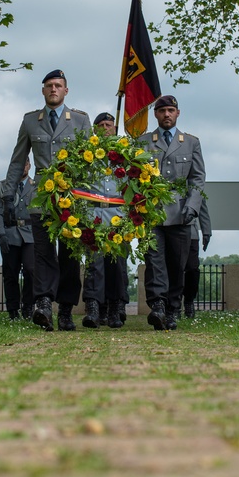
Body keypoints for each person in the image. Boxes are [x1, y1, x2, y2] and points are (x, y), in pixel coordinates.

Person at [3, 69, 91, 331]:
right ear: (43, 91)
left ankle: (65, 311)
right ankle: (42, 304)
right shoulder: (31, 120)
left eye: (58, 85)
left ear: (66, 91)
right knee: (42, 253)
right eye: (49, 85)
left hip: (71, 197)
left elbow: (89, 162)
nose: (53, 89)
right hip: (41, 196)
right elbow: (18, 159)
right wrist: (9, 191)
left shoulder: (80, 120)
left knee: (69, 256)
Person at [142, 95, 205, 330]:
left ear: (178, 113)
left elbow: (197, 178)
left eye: (171, 110)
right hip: (152, 212)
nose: (166, 114)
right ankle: (157, 306)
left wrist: (192, 206)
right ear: (155, 115)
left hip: (181, 212)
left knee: (177, 264)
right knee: (155, 261)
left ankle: (172, 309)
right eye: (162, 111)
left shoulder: (191, 142)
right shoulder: (144, 142)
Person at [81, 112, 128, 330]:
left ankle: (115, 308)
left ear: (115, 129)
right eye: (100, 125)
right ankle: (93, 308)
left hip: (119, 217)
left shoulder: (126, 155)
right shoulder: (85, 155)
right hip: (94, 215)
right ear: (94, 130)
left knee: (116, 265)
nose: (105, 128)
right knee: (94, 263)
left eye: (109, 124)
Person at [0, 158, 35, 320]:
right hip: (10, 233)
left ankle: (28, 306)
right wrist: (0, 234)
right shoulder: (3, 186)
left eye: (25, 164)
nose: (22, 167)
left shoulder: (36, 185)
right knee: (10, 273)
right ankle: (13, 309)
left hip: (30, 235)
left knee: (31, 270)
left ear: (29, 166)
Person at [183, 198, 212, 318]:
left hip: (191, 234)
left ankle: (189, 301)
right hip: (170, 231)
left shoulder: (194, 185)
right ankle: (172, 305)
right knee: (174, 268)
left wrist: (206, 232)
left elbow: (202, 207)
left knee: (192, 268)